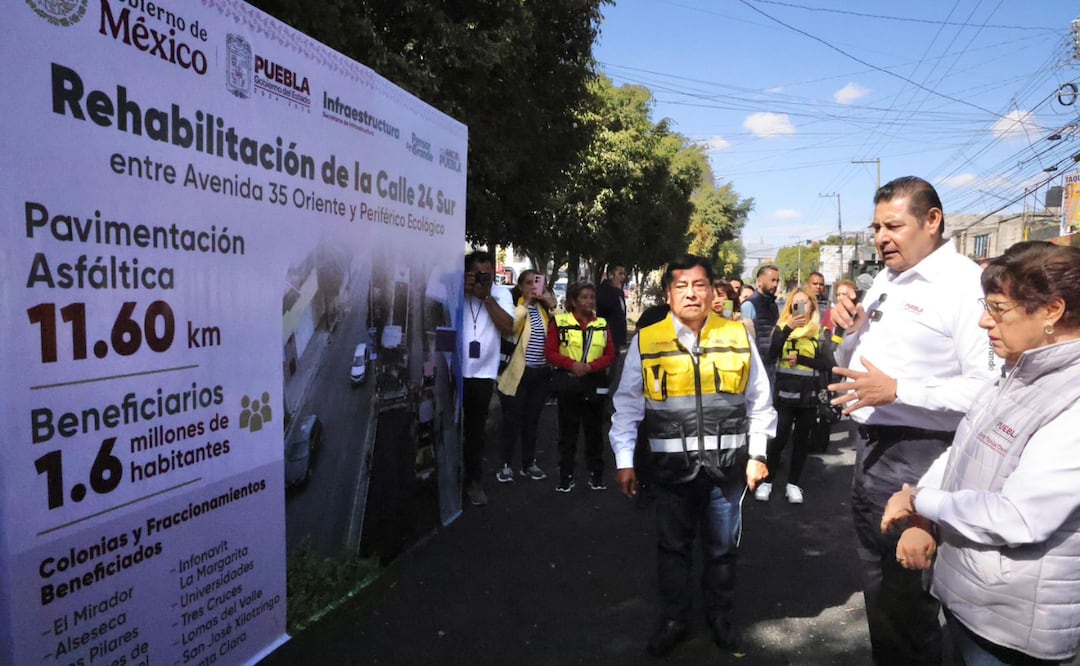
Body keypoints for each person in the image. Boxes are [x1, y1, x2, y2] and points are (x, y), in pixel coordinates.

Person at [880, 241, 1080, 666]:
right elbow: (963, 450)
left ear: (1052, 311)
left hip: (1013, 625)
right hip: (973, 600)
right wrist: (923, 512)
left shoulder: (1072, 397)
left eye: (999, 309)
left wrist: (920, 500)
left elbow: (1020, 516)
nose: (983, 321)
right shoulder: (1017, 371)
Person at [827, 176, 999, 665]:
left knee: (909, 597)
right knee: (881, 593)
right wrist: (851, 332)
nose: (881, 237)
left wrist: (901, 390)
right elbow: (857, 359)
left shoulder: (965, 286)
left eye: (893, 226)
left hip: (922, 453)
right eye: (876, 226)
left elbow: (987, 389)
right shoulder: (886, 280)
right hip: (872, 448)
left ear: (932, 221)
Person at [609, 254, 775, 657]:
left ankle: (720, 617)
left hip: (727, 470)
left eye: (699, 285)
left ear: (712, 291)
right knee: (673, 551)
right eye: (681, 286)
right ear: (668, 294)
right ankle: (674, 620)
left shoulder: (737, 336)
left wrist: (757, 454)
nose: (690, 294)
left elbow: (760, 402)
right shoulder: (647, 341)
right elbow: (628, 404)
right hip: (671, 472)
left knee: (722, 550)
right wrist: (625, 460)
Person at [755, 287, 834, 504]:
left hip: (808, 397)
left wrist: (801, 358)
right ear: (790, 305)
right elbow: (771, 356)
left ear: (812, 305)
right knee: (778, 440)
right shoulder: (781, 328)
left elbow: (827, 364)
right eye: (796, 302)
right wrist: (787, 329)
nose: (800, 306)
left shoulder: (819, 331)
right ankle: (767, 481)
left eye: (804, 302)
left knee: (801, 442)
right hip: (784, 395)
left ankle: (793, 484)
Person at [546, 282, 616, 492]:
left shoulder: (602, 324)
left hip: (594, 382)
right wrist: (572, 365)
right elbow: (550, 352)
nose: (589, 301)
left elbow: (610, 354)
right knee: (568, 432)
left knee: (595, 431)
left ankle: (596, 474)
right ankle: (566, 475)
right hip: (570, 382)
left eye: (591, 298)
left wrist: (590, 367)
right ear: (574, 301)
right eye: (584, 297)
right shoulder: (559, 322)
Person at [461, 251, 515, 506]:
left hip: (482, 375)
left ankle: (474, 482)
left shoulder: (500, 293)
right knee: (449, 429)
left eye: (489, 275)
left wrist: (486, 298)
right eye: (479, 275)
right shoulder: (456, 288)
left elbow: (508, 327)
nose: (485, 279)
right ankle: (450, 483)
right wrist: (461, 290)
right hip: (455, 372)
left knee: (475, 433)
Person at [496, 269, 557, 483]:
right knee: (511, 420)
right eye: (528, 283)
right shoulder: (513, 305)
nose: (533, 287)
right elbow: (509, 326)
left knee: (532, 420)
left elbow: (563, 331)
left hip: (540, 373)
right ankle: (505, 465)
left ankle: (528, 463)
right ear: (520, 286)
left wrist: (552, 305)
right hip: (516, 374)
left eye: (537, 283)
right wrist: (526, 304)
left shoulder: (545, 309)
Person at [747, 264, 780, 377]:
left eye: (777, 281)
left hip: (771, 363)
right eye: (772, 280)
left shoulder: (773, 305)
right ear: (759, 282)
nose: (775, 284)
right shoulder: (749, 304)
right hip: (755, 365)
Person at [596, 264, 629, 350]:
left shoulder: (619, 292)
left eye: (624, 274)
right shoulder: (603, 291)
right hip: (606, 337)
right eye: (620, 274)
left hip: (617, 338)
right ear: (611, 275)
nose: (622, 277)